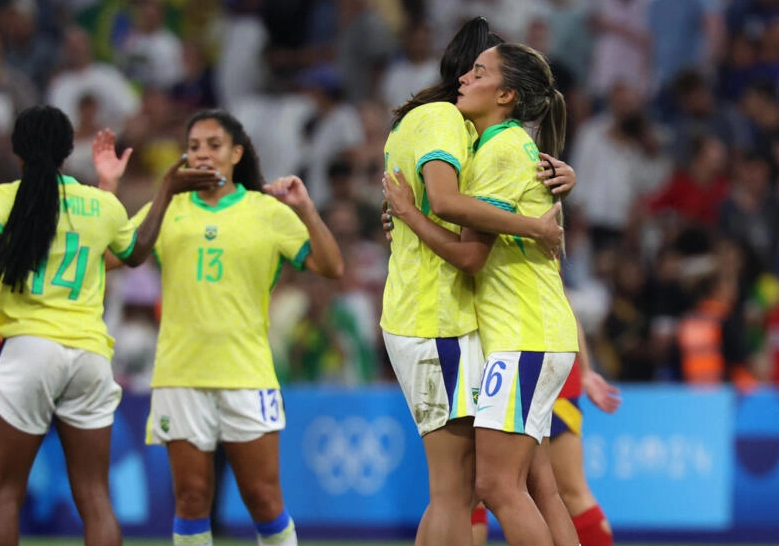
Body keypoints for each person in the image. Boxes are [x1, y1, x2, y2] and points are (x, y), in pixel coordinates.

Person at [0, 105, 220, 546]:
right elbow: (137, 252)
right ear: (68, 151)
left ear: (17, 150)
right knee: (96, 497)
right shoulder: (100, 204)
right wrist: (165, 192)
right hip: (89, 356)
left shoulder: (2, 199)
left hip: (27, 352)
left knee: (4, 497)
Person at [379, 17, 574, 546]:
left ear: (505, 92)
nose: (470, 78)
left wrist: (410, 216)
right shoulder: (470, 134)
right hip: (485, 326)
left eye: (482, 72)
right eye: (473, 68)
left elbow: (464, 245)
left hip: (517, 331)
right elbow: (455, 214)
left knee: (491, 486)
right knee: (509, 484)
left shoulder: (495, 146)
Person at [132, 109, 344, 546]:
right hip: (181, 374)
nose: (202, 155)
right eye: (193, 147)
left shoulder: (265, 210)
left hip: (246, 374)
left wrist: (305, 208)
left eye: (213, 145)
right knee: (191, 498)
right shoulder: (167, 209)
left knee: (263, 499)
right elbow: (120, 254)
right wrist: (148, 193)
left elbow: (331, 266)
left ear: (236, 153)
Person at [469, 319, 622, 546]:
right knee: (549, 490)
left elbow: (565, 305)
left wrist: (585, 371)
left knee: (488, 488)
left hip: (520, 360)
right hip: (518, 362)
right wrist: (585, 371)